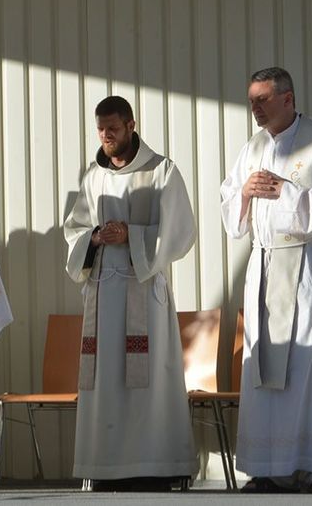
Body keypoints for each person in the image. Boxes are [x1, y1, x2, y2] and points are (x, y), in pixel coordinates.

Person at [220, 67, 312, 494]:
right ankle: (271, 467)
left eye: (262, 99)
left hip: (308, 270)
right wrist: (244, 193)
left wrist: (285, 190)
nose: (255, 108)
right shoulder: (253, 147)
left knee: (311, 367)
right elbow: (230, 204)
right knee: (267, 368)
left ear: (288, 99)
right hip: (265, 267)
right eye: (251, 101)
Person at [63, 96, 198, 490]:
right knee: (107, 380)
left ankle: (156, 465)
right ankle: (106, 467)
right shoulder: (93, 177)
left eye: (114, 129)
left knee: (149, 380)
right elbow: (74, 230)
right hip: (104, 292)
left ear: (131, 125)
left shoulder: (162, 172)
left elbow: (181, 231)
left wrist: (134, 236)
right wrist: (94, 237)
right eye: (101, 130)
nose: (106, 137)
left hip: (143, 290)